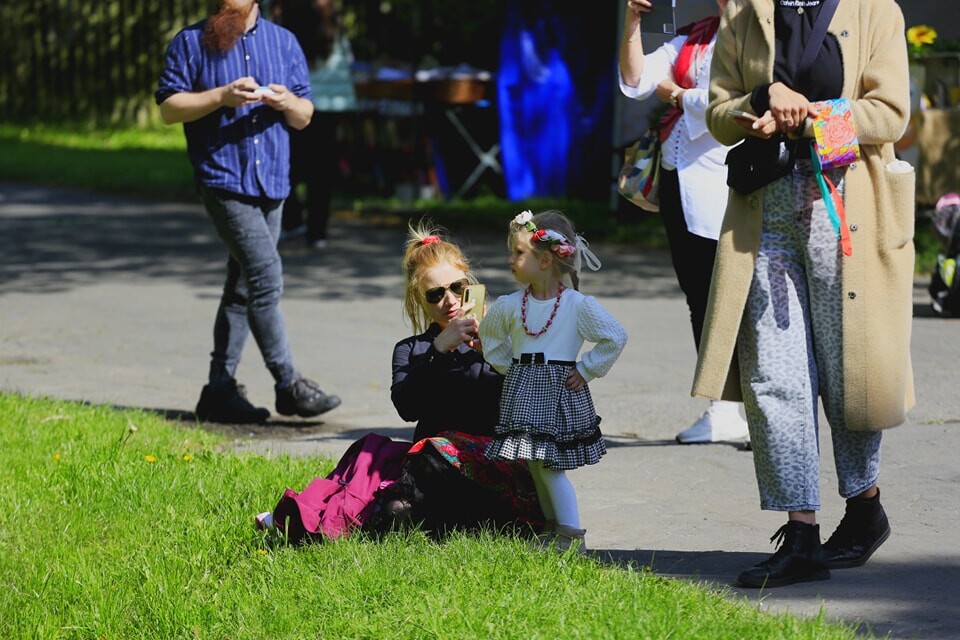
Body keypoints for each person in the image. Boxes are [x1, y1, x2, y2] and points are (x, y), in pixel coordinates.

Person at [695, 0, 914, 587]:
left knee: (849, 370)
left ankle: (864, 505)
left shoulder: (876, 9)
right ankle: (800, 535)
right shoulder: (744, 12)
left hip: (847, 210)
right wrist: (761, 100)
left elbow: (890, 113)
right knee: (774, 373)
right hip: (764, 213)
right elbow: (718, 115)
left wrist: (809, 117)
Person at [259, 221, 542, 541]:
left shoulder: (501, 338)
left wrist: (493, 350)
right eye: (436, 294)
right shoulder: (412, 350)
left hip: (489, 467)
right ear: (419, 300)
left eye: (457, 287)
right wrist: (438, 351)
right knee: (391, 492)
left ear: (470, 284)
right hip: (432, 474)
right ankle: (304, 523)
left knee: (434, 454)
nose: (450, 300)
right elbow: (407, 407)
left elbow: (530, 394)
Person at [156, 0, 341, 424]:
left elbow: (305, 115)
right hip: (222, 179)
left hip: (272, 181)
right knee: (265, 276)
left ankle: (218, 390)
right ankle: (289, 384)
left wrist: (286, 102)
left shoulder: (284, 42)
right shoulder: (190, 42)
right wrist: (220, 97)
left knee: (242, 287)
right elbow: (168, 108)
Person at [618, 0, 749, 445]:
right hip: (679, 178)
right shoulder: (698, 34)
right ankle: (723, 407)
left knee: (738, 297)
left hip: (730, 181)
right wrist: (632, 22)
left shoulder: (760, 35)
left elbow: (735, 103)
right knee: (699, 294)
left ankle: (754, 405)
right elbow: (637, 79)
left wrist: (677, 96)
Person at [479, 210, 628, 550]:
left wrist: (587, 369)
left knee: (549, 466)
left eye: (518, 253)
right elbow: (490, 335)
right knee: (535, 465)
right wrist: (508, 367)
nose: (510, 260)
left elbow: (615, 336)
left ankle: (571, 535)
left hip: (557, 392)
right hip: (524, 390)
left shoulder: (576, 305)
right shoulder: (511, 305)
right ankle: (551, 529)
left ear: (545, 260)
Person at [272, 0, 356, 249]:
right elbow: (348, 60)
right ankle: (317, 231)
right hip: (332, 105)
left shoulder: (291, 27)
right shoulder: (335, 26)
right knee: (322, 171)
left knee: (289, 165)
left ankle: (292, 219)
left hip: (300, 104)